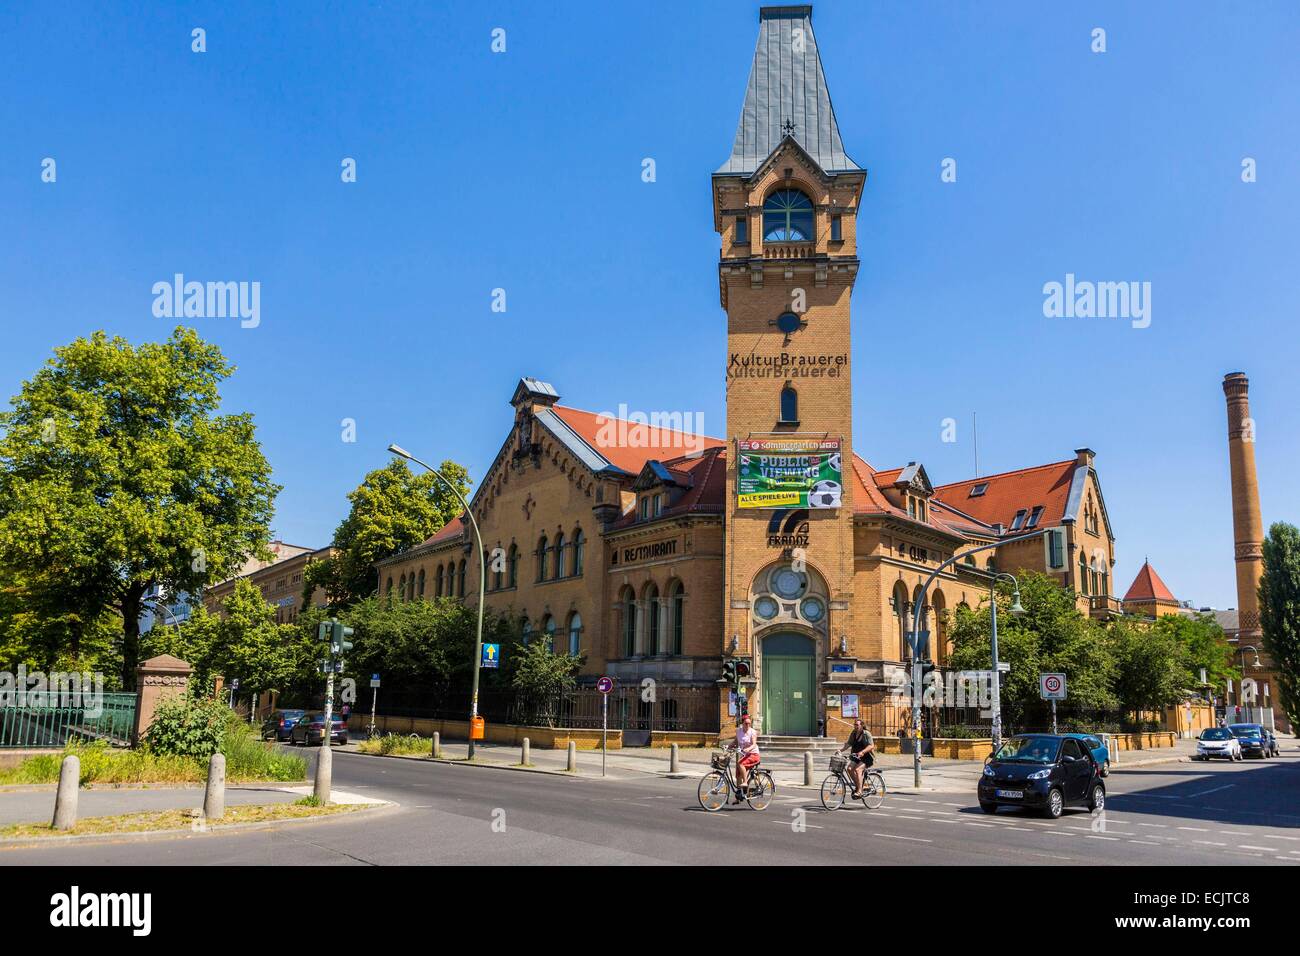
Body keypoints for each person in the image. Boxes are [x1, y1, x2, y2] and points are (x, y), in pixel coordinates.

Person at [839, 717, 875, 798]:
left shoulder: (866, 734)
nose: (855, 726)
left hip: (867, 756)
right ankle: (859, 786)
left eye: (857, 725)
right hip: (856, 756)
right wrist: (840, 750)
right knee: (849, 769)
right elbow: (849, 744)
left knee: (858, 770)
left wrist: (862, 752)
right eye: (854, 725)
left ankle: (859, 791)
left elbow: (871, 746)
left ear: (862, 725)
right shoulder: (854, 733)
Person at [731, 713, 761, 802]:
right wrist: (729, 746)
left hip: (753, 754)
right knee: (738, 775)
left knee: (740, 763)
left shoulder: (752, 732)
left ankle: (745, 782)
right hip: (745, 755)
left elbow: (754, 744)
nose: (748, 725)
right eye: (746, 723)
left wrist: (748, 749)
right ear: (742, 723)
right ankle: (740, 796)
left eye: (749, 723)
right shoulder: (739, 731)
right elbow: (736, 741)